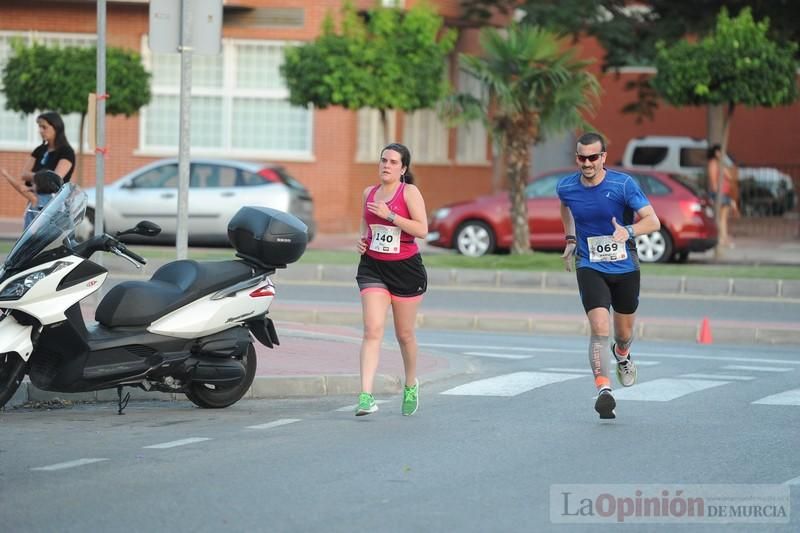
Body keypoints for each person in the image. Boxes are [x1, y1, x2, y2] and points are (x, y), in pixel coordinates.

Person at [557, 132, 661, 420]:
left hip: (625, 266)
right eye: (581, 157)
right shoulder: (566, 186)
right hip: (589, 263)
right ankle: (604, 390)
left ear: (603, 157)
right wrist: (570, 238)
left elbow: (653, 221)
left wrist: (626, 231)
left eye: (593, 157)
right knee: (599, 328)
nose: (587, 163)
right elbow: (565, 207)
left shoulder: (623, 184)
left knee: (623, 334)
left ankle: (623, 354)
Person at [354, 142, 428, 417]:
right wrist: (362, 241)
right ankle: (365, 396)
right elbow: (366, 224)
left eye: (393, 162)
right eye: (383, 160)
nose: (386, 165)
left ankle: (410, 384)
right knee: (372, 329)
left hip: (406, 270)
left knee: (404, 334)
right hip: (373, 267)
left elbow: (422, 229)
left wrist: (392, 216)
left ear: (403, 169)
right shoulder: (368, 193)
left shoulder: (409, 192)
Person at [706, 144, 738, 248]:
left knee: (723, 218)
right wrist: (716, 194)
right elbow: (714, 179)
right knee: (721, 218)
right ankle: (722, 239)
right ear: (716, 153)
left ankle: (723, 239)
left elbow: (729, 176)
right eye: (720, 152)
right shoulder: (714, 164)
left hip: (724, 193)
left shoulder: (718, 164)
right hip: (720, 193)